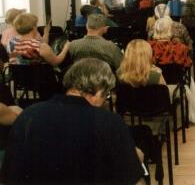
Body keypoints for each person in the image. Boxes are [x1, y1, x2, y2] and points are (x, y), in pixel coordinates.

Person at [0, 58, 144, 184]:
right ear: (99, 90)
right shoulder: (110, 122)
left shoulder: (28, 115)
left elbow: (10, 176)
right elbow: (133, 180)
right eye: (106, 95)